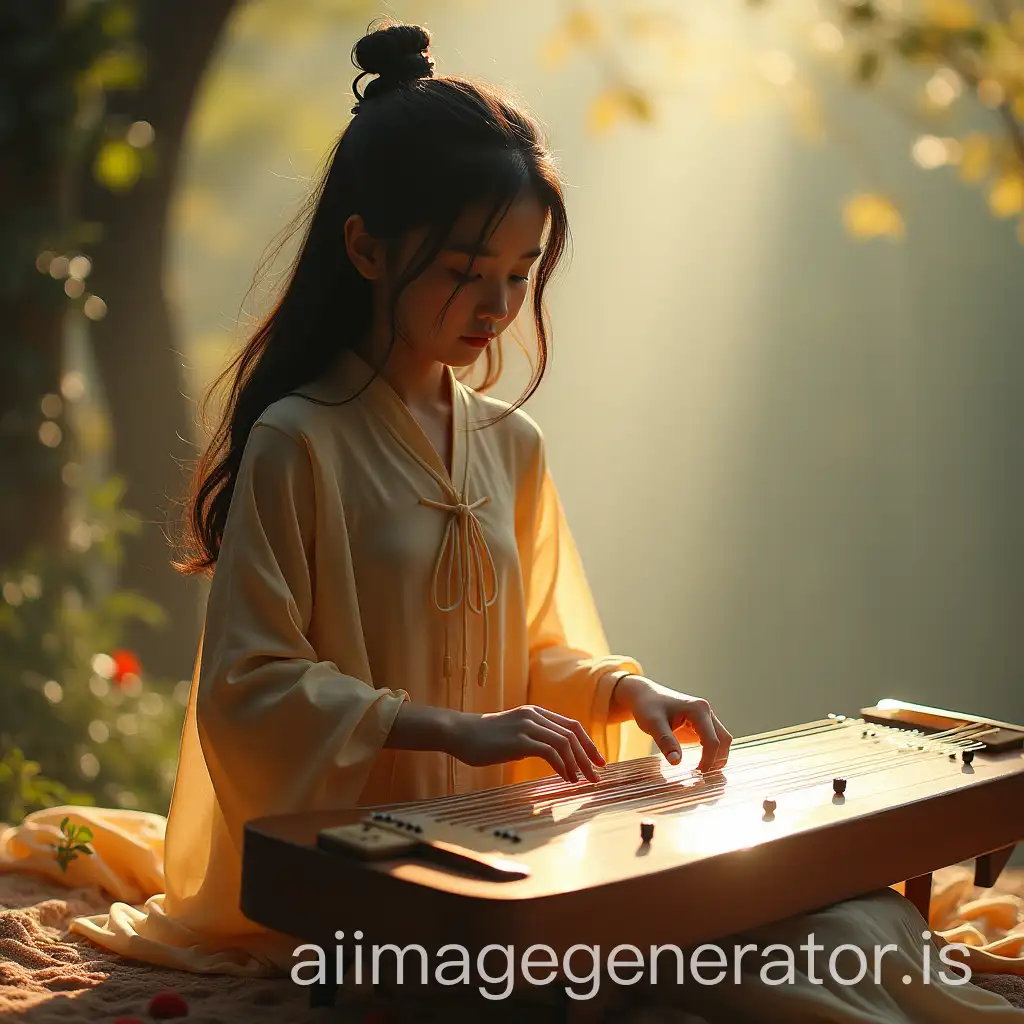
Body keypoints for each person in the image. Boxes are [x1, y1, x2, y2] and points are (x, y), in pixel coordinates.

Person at [7, 19, 1020, 1021]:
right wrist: (452, 726)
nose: (494, 303)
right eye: (461, 269)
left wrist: (632, 691)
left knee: (838, 934)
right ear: (365, 248)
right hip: (368, 868)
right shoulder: (300, 440)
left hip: (506, 841)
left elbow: (540, 653)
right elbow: (250, 685)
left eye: (518, 273)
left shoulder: (510, 443)